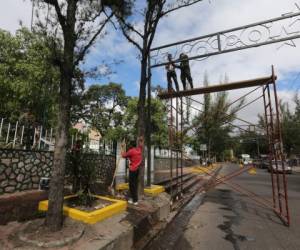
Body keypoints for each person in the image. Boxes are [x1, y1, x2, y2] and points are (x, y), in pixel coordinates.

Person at [121, 136, 144, 205]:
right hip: (137, 170)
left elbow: (123, 155)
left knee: (132, 185)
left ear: (131, 145)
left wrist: (122, 147)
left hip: (133, 170)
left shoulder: (131, 151)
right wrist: (141, 140)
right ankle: (133, 199)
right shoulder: (139, 150)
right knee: (135, 185)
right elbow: (141, 145)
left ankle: (135, 200)